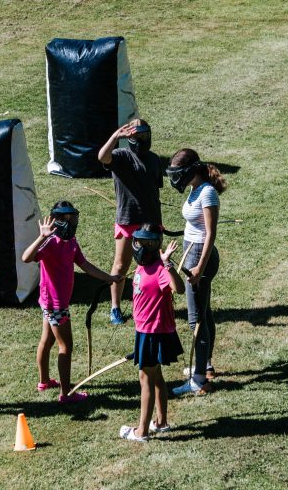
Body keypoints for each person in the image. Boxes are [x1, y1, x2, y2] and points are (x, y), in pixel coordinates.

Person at [22, 201, 123, 403]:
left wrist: (109, 278)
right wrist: (42, 236)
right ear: (54, 220)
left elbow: (84, 265)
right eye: (63, 219)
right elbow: (26, 258)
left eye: (72, 218)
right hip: (55, 304)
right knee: (66, 347)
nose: (69, 223)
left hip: (52, 303)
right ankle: (66, 394)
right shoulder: (50, 243)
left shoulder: (72, 242)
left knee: (47, 340)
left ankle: (44, 382)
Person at [166, 148, 227, 396]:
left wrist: (199, 268)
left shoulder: (207, 193)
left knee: (196, 320)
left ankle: (199, 379)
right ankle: (206, 366)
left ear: (191, 170)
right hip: (192, 251)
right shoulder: (195, 188)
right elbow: (196, 224)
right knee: (205, 312)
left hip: (200, 256)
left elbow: (210, 234)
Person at [119, 224, 184, 442]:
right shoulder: (141, 266)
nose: (142, 248)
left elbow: (179, 288)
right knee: (156, 376)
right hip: (145, 330)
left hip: (153, 332)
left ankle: (142, 432)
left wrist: (168, 264)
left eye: (149, 243)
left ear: (157, 245)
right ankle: (161, 422)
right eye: (139, 242)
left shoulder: (160, 269)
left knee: (145, 378)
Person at [97, 119, 163, 325]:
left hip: (152, 221)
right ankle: (115, 308)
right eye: (137, 136)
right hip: (128, 220)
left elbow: (154, 190)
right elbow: (102, 157)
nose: (142, 140)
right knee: (121, 265)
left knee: (154, 264)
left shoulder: (154, 159)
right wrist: (116, 137)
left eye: (145, 135)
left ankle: (154, 303)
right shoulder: (120, 156)